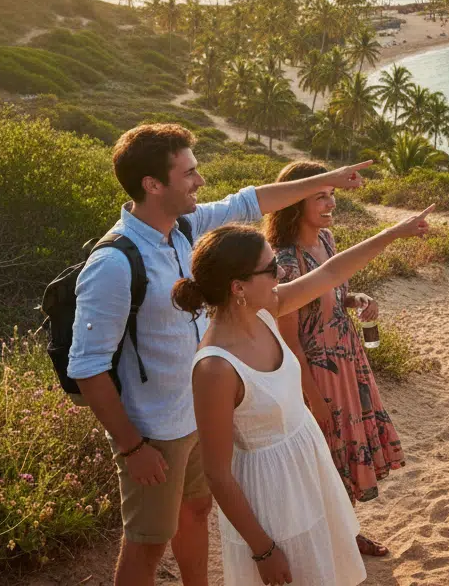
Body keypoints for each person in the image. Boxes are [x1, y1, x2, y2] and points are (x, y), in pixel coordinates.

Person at [67, 123, 370, 586]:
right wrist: (132, 446)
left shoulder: (182, 227)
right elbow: (87, 369)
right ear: (153, 185)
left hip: (198, 415)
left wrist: (325, 179)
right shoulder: (113, 263)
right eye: (188, 172)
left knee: (197, 511)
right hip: (153, 430)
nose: (200, 181)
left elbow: (249, 202)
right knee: (147, 543)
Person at [180, 210, 431, 586]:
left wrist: (394, 233)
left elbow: (331, 273)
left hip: (309, 469)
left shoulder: (266, 312)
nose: (280, 273)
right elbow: (217, 474)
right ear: (238, 287)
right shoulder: (215, 368)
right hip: (271, 496)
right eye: (270, 269)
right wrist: (263, 549)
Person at [264, 160, 405, 558]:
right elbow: (289, 341)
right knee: (325, 456)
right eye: (319, 196)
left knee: (345, 447)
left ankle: (347, 530)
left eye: (332, 195)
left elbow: (329, 295)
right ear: (294, 202)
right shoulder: (286, 263)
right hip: (318, 372)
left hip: (347, 361)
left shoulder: (325, 242)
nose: (330, 204)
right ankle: (331, 538)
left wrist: (355, 298)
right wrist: (313, 396)